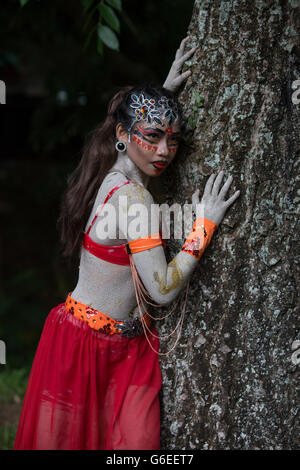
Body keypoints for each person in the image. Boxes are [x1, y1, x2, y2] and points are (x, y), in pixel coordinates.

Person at [13, 37, 240, 450]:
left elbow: (131, 127)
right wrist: (204, 224)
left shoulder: (111, 168)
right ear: (124, 133)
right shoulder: (133, 197)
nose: (164, 150)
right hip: (84, 348)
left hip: (131, 349)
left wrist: (161, 95)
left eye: (173, 139)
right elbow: (163, 288)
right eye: (153, 136)